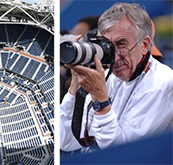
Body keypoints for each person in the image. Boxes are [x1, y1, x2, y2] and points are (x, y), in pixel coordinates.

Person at [60, 2, 173, 153]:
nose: (115, 56)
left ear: (145, 44)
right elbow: (66, 141)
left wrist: (101, 101)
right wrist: (74, 90)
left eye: (121, 44)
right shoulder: (106, 75)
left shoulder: (164, 85)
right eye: (108, 46)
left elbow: (118, 153)